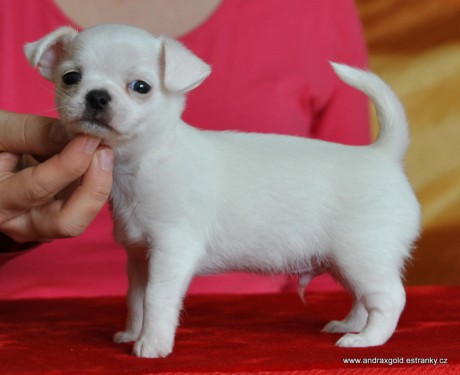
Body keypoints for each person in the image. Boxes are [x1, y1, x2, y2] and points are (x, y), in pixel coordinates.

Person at [0, 0, 370, 298]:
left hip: (248, 315)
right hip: (22, 318)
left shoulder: (314, 10)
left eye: (139, 87)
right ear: (50, 62)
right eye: (72, 78)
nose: (98, 97)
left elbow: (349, 196)